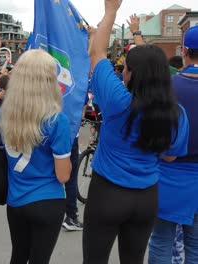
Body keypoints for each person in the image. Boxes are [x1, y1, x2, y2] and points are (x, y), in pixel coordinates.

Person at [83, 1, 189, 263]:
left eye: (127, 68)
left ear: (130, 73)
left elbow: (97, 54)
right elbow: (170, 157)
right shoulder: (176, 113)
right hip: (146, 197)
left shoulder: (118, 102)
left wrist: (110, 12)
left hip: (107, 193)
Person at [0, 49, 72, 264]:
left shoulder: (4, 114)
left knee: (18, 256)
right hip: (47, 199)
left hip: (16, 200)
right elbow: (63, 175)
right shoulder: (57, 120)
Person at [148, 26, 198, 264]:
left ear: (185, 50)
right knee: (196, 245)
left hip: (169, 175)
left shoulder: (168, 87)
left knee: (161, 241)